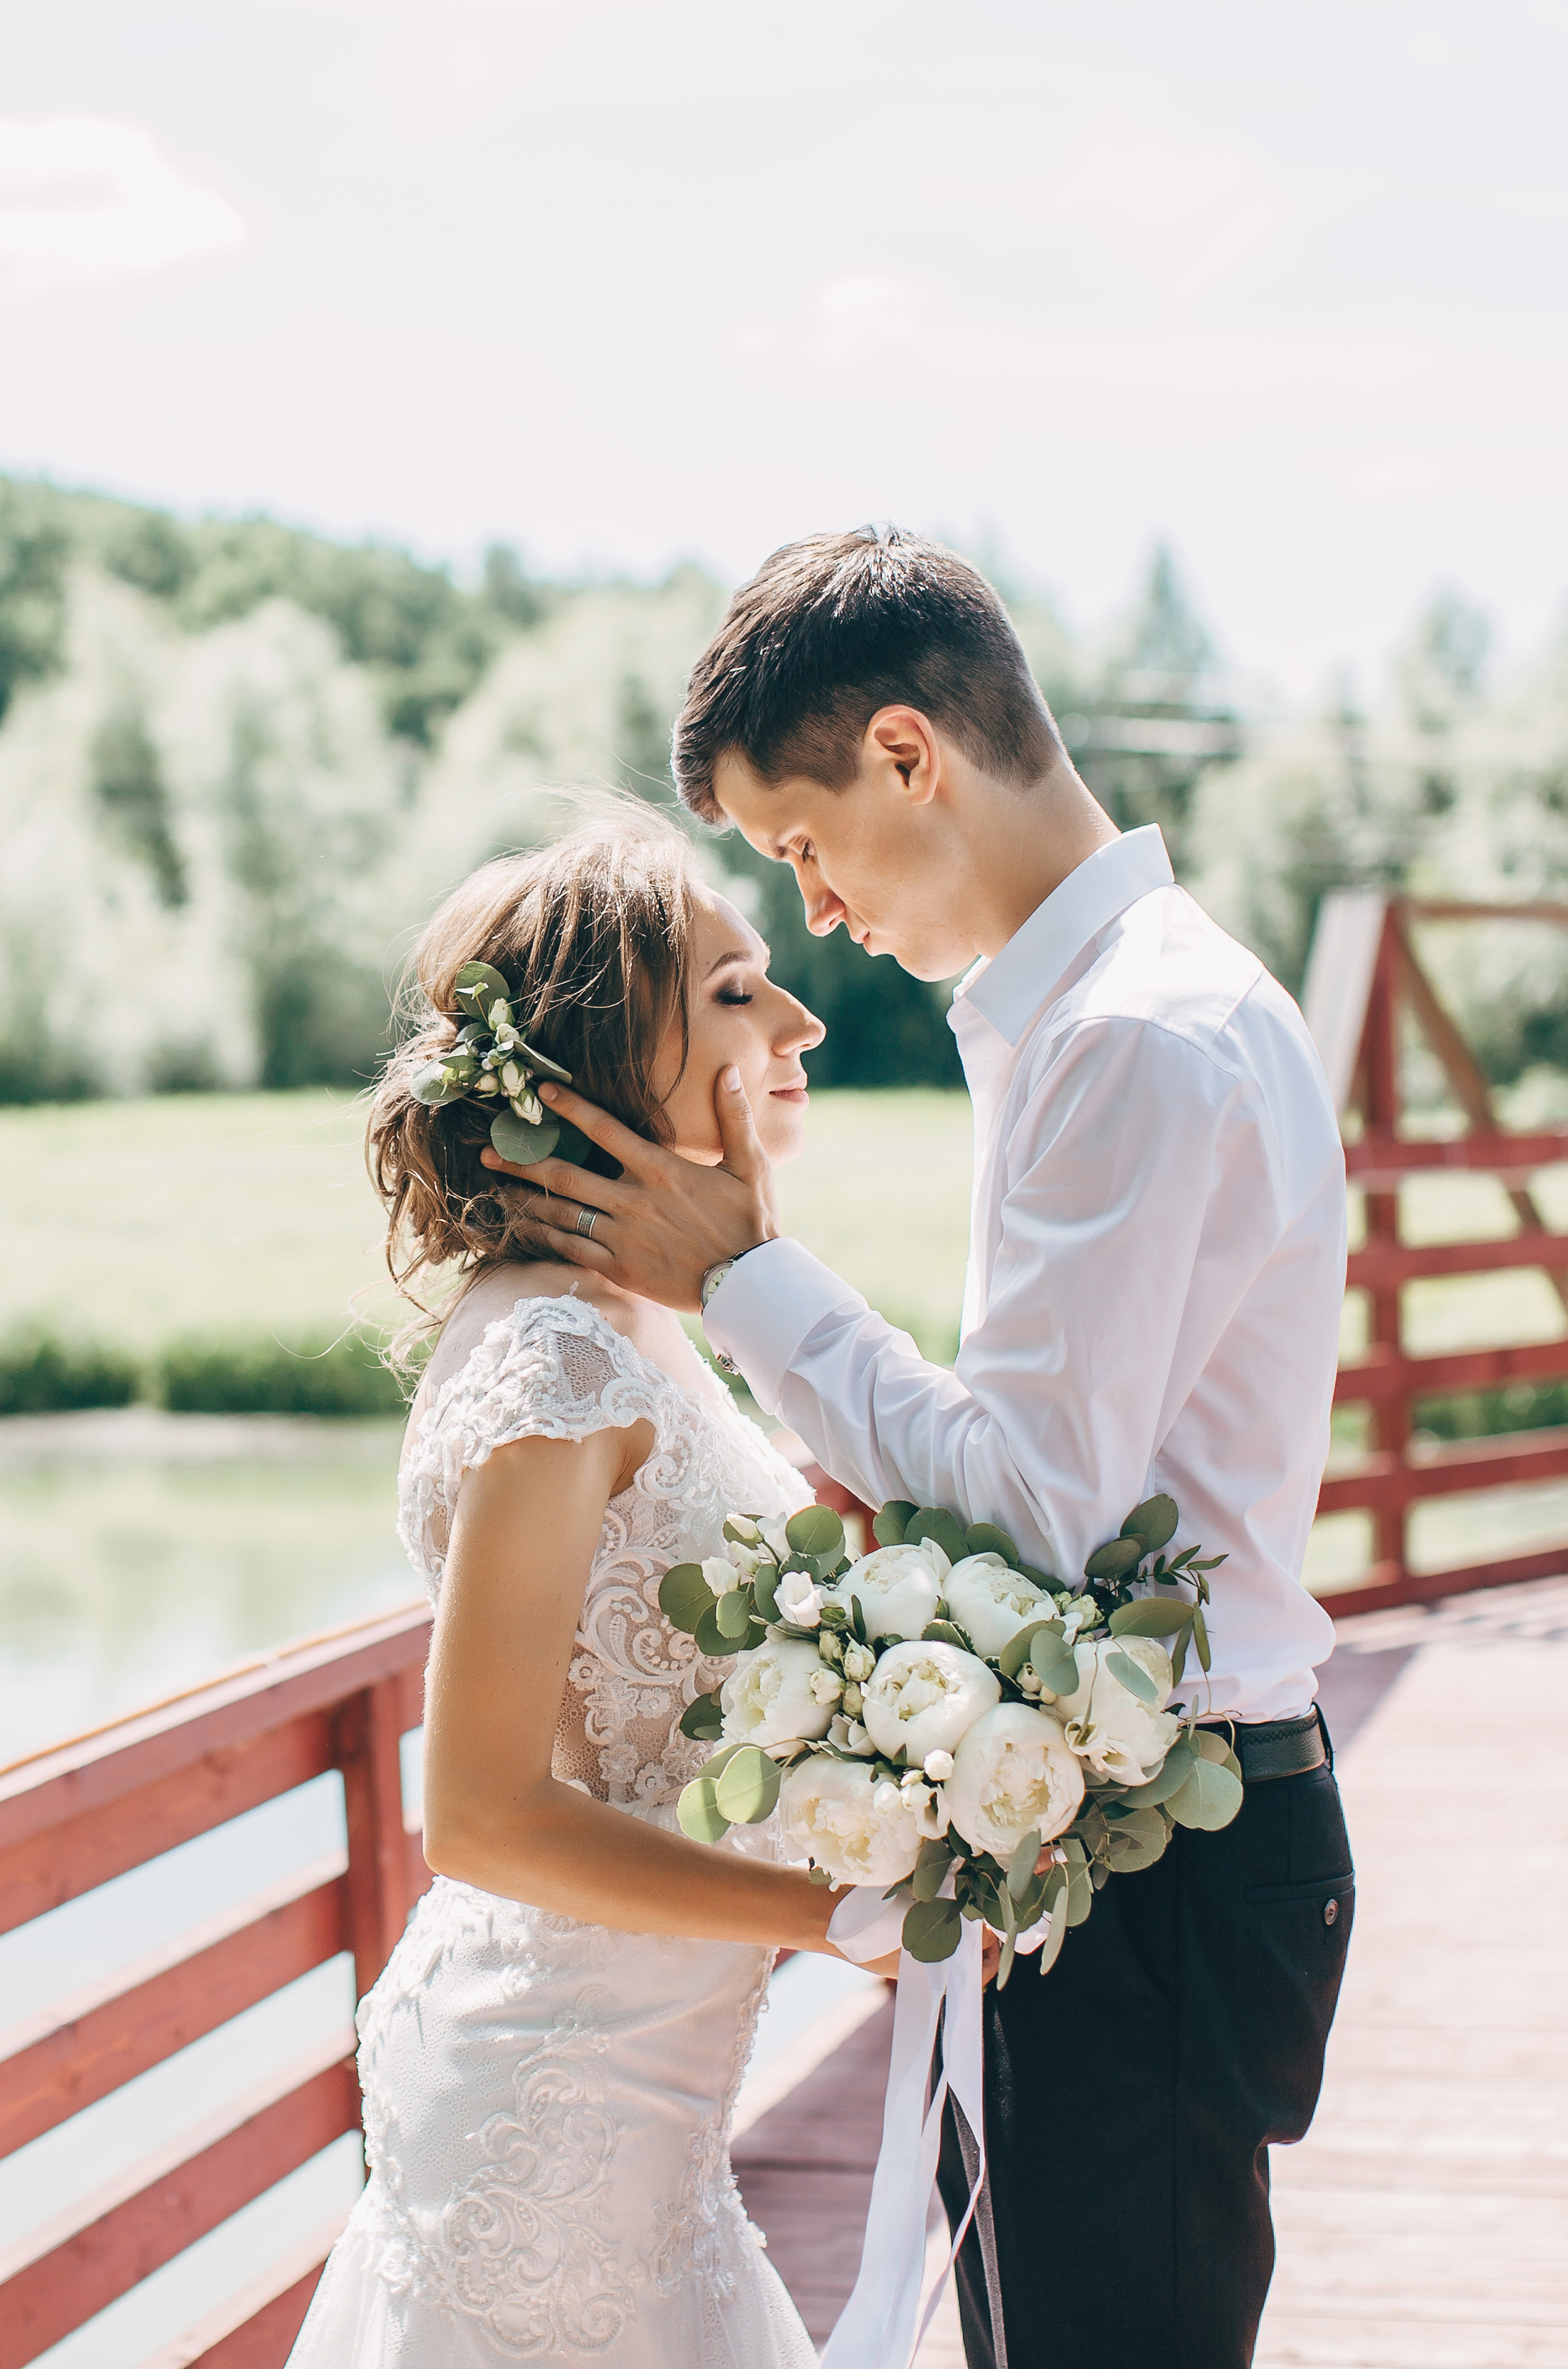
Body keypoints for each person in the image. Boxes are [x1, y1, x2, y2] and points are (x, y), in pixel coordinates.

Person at [481, 527, 1357, 2369]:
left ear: (906, 755)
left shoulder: (1138, 1039)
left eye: (799, 846)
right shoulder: (1093, 1019)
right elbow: (1069, 1472)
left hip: (1158, 1862)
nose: (809, 914)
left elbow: (1036, 1505)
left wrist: (745, 1279)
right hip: (1125, 1831)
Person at [286, 815, 849, 2369]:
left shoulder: (631, 1324)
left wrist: (753, 1266)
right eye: (740, 990)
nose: (800, 1020)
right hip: (556, 2110)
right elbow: (477, 1814)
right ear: (602, 1062)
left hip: (639, 2098)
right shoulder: (555, 1361)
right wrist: (842, 1917)